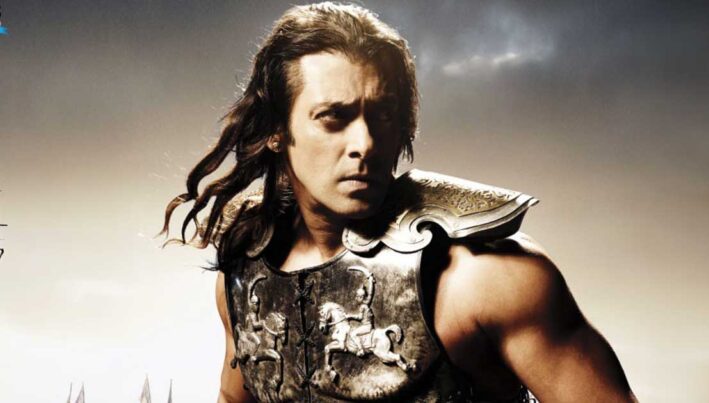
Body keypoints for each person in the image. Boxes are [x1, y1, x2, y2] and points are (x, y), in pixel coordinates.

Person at [162, 2, 636, 402]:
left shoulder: (485, 279)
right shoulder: (245, 277)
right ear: (275, 131)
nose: (365, 143)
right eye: (333, 117)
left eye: (383, 115)